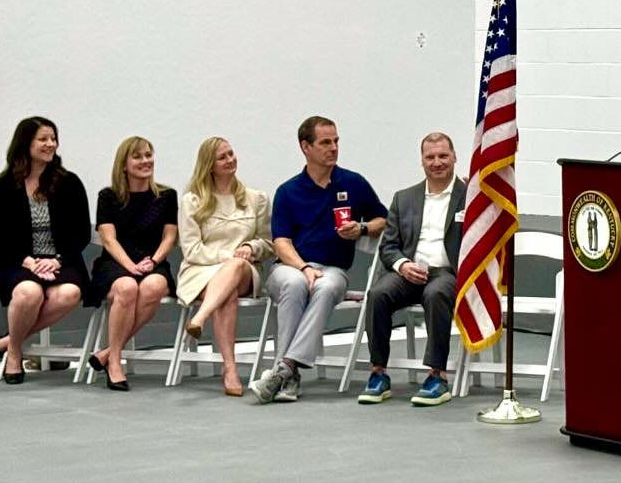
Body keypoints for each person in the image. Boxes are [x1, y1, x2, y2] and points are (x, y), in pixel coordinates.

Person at [251, 116, 385, 404]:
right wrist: (304, 267)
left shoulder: (353, 182)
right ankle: (290, 373)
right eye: (325, 142)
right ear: (305, 147)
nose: (333, 148)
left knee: (324, 287)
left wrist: (361, 229)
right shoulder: (288, 191)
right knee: (296, 285)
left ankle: (284, 371)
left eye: (336, 141)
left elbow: (383, 219)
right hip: (290, 268)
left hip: (334, 270)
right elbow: (281, 242)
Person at [357, 132, 465, 406]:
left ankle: (437, 376)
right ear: (422, 161)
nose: (437, 162)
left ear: (454, 157)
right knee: (378, 294)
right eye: (430, 157)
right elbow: (388, 247)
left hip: (448, 273)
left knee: (436, 294)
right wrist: (403, 265)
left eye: (443, 156)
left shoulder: (472, 197)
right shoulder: (404, 198)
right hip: (409, 271)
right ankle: (378, 374)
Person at [0, 116, 90, 384]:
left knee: (69, 293)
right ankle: (16, 353)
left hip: (61, 261)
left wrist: (57, 260)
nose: (50, 144)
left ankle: (8, 342)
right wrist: (28, 262)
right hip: (16, 263)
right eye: (43, 139)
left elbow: (81, 233)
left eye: (53, 138)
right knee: (28, 293)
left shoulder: (69, 182)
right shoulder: (4, 186)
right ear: (26, 143)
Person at [177, 137, 274, 397]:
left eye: (231, 154)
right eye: (223, 157)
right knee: (226, 293)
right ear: (209, 165)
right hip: (200, 270)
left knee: (236, 267)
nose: (230, 160)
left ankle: (200, 318)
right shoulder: (192, 201)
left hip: (244, 270)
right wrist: (227, 255)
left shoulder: (256, 199)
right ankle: (229, 368)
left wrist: (252, 248)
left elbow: (268, 243)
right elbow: (192, 250)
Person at [86, 136, 178, 391]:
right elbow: (108, 239)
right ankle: (115, 360)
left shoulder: (167, 196)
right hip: (116, 261)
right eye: (137, 156)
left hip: (152, 260)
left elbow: (170, 236)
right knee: (126, 288)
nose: (145, 161)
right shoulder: (108, 196)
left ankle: (108, 352)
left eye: (148, 155)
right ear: (124, 164)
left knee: (154, 287)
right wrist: (130, 265)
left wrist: (154, 260)